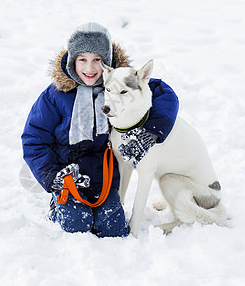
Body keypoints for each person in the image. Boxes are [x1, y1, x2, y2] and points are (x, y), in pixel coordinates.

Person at [21, 22, 179, 237]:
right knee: (77, 224)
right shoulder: (55, 95)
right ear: (71, 61)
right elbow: (34, 139)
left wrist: (152, 130)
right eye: (82, 60)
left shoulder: (118, 83)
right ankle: (56, 207)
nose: (90, 68)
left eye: (97, 60)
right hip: (69, 176)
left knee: (112, 228)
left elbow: (165, 95)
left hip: (105, 176)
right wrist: (52, 176)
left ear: (107, 61)